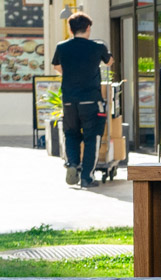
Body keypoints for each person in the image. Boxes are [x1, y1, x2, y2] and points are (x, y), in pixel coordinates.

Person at [51, 12, 111, 188]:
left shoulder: (62, 47)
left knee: (71, 133)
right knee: (92, 137)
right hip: (91, 100)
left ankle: (72, 164)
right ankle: (87, 177)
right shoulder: (97, 46)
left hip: (69, 100)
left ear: (70, 30)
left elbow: (56, 66)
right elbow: (109, 62)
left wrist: (71, 73)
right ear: (88, 28)